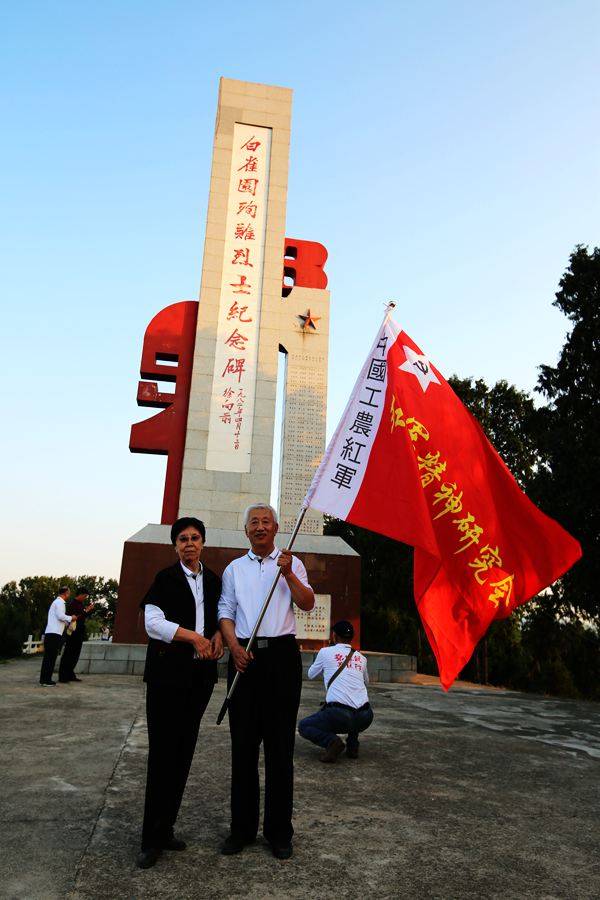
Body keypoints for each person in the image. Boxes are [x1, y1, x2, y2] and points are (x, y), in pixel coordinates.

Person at [218, 503, 315, 860]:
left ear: (276, 528)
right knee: (243, 748)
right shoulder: (234, 569)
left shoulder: (292, 563)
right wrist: (233, 647)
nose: (260, 527)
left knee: (279, 750)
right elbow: (225, 611)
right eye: (253, 523)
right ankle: (241, 830)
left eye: (265, 522)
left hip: (281, 659)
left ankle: (278, 833)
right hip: (244, 659)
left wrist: (289, 574)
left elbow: (306, 603)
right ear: (246, 531)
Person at [137, 516, 224, 870]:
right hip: (166, 678)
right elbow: (152, 623)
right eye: (183, 539)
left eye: (195, 538)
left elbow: (222, 615)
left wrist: (217, 635)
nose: (189, 544)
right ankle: (150, 839)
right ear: (175, 546)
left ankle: (167, 827)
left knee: (184, 752)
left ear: (203, 543)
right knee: (162, 755)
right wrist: (194, 637)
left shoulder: (215, 580)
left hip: (200, 679)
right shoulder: (166, 579)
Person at [298, 620, 374, 762]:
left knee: (304, 725)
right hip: (365, 717)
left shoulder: (325, 652)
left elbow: (310, 674)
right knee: (354, 704)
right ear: (350, 638)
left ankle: (332, 742)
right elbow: (366, 682)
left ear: (334, 636)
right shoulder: (362, 658)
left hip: (340, 716)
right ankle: (352, 746)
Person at [39, 587, 76, 686]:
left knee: (48, 657)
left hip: (51, 633)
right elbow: (60, 616)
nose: (69, 595)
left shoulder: (56, 602)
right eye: (68, 593)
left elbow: (59, 617)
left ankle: (44, 679)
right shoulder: (60, 603)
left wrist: (67, 622)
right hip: (54, 634)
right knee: (50, 658)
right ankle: (46, 680)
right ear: (66, 593)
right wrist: (70, 618)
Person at [58, 589, 95, 683]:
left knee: (75, 655)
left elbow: (83, 616)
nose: (85, 598)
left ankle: (70, 674)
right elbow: (76, 617)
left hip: (79, 632)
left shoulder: (80, 604)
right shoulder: (73, 604)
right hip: (73, 632)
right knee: (68, 654)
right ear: (81, 594)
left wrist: (88, 610)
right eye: (85, 596)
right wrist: (87, 611)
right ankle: (63, 676)